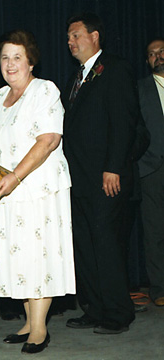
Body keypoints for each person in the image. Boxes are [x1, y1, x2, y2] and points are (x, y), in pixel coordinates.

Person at [0, 30, 75, 354]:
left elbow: (49, 140)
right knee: (21, 257)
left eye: (17, 57)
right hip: (5, 189)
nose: (10, 63)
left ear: (31, 61)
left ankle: (40, 329)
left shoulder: (45, 91)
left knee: (38, 256)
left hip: (38, 188)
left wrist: (15, 176)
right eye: (5, 57)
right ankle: (29, 321)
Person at [62, 12, 139, 334]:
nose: (70, 42)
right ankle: (94, 308)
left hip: (106, 178)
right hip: (80, 179)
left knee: (106, 246)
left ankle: (119, 313)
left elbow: (126, 125)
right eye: (68, 37)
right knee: (85, 245)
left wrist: (113, 168)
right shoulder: (77, 76)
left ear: (95, 36)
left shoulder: (116, 69)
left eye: (76, 35)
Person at [138, 37, 164, 307]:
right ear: (147, 61)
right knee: (155, 231)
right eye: (152, 54)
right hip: (152, 168)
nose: (158, 56)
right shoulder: (140, 89)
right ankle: (159, 289)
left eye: (162, 51)